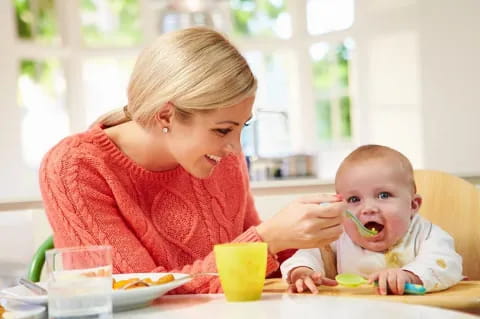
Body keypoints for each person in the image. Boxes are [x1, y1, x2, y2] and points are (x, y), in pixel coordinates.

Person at [39, 27, 345, 294]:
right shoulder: (74, 168)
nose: (235, 149)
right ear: (166, 115)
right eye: (223, 129)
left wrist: (305, 251)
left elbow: (257, 271)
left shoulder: (219, 158)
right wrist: (267, 240)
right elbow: (135, 292)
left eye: (242, 127)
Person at [281, 145, 463, 295]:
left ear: (413, 205)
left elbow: (446, 264)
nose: (368, 208)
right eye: (354, 200)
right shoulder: (338, 235)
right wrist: (302, 272)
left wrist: (410, 275)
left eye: (383, 195)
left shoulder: (426, 234)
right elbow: (306, 255)